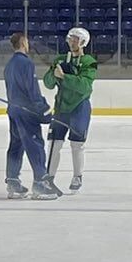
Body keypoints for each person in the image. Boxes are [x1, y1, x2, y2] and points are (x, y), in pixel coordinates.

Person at [3, 31, 61, 200]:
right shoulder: (26, 64)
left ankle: (12, 182)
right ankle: (40, 183)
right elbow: (32, 89)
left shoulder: (10, 64)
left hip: (13, 110)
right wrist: (42, 108)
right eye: (27, 42)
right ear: (22, 43)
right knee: (35, 144)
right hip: (26, 112)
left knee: (16, 146)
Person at [43, 26, 98, 192]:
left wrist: (65, 77)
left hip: (80, 108)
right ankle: (49, 177)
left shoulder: (90, 62)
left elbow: (84, 87)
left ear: (83, 42)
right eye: (70, 38)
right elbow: (48, 83)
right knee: (54, 142)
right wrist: (54, 74)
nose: (72, 41)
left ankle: (77, 175)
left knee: (77, 144)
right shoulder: (60, 59)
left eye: (75, 39)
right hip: (61, 107)